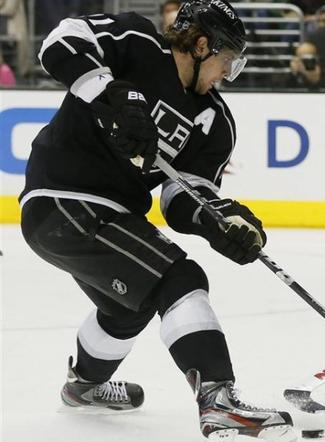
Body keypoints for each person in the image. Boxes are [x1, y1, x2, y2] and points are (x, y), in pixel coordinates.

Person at [18, 1, 295, 440]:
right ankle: (218, 401)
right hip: (63, 198)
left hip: (108, 213)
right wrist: (109, 94)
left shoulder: (214, 122)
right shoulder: (136, 41)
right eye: (226, 60)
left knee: (129, 306)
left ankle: (84, 385)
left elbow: (181, 198)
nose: (227, 73)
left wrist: (218, 221)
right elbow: (59, 42)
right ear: (202, 45)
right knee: (180, 278)